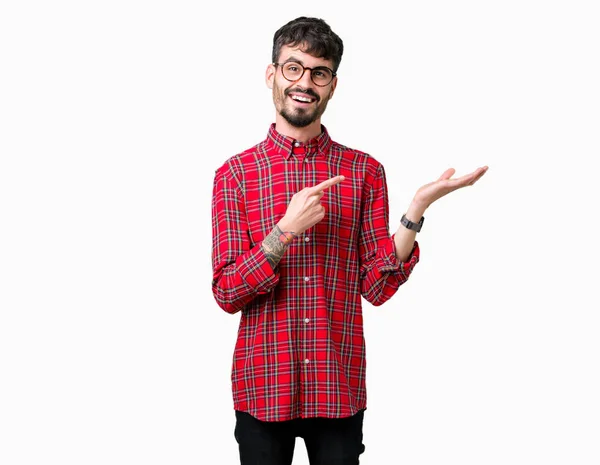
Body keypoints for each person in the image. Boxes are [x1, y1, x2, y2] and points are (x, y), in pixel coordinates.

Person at [211, 16, 488, 465]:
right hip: (263, 386)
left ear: (332, 85)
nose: (305, 82)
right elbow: (226, 292)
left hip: (335, 386)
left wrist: (416, 209)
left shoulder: (363, 172)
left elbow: (376, 286)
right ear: (271, 75)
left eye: (318, 73)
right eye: (293, 68)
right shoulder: (234, 175)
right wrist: (283, 233)